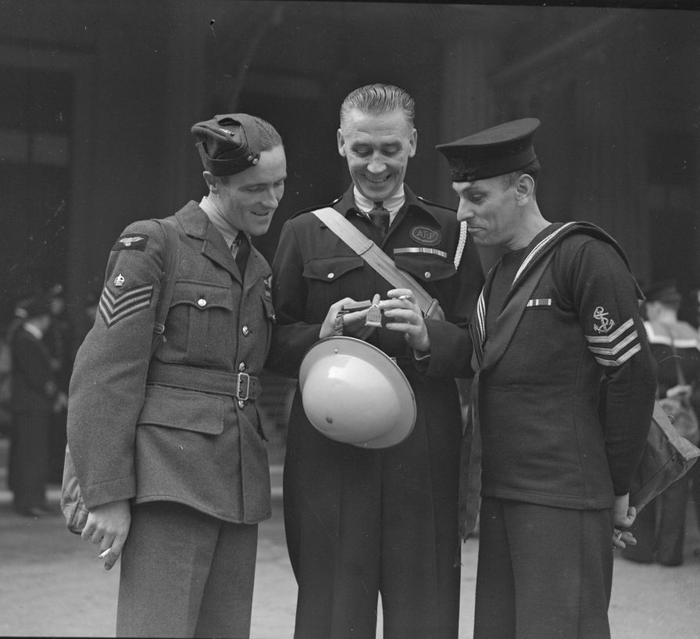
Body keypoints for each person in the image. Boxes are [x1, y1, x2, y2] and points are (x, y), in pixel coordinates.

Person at [267, 84, 484, 638]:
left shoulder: (451, 232)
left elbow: (479, 345)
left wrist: (427, 337)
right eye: (363, 149)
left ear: (413, 143)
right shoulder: (304, 233)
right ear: (341, 144)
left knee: (424, 606)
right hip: (331, 445)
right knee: (332, 608)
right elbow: (269, 343)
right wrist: (321, 332)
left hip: (424, 442)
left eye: (390, 148)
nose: (377, 164)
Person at [436, 118, 658, 638]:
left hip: (563, 496)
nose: (464, 215)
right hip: (503, 491)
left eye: (476, 196)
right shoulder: (500, 273)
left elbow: (633, 376)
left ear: (523, 188)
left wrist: (618, 488)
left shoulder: (583, 256)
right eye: (460, 199)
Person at [67, 113, 286, 638]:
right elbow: (104, 374)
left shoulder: (256, 265)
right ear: (213, 183)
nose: (271, 201)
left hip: (236, 480)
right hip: (168, 479)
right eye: (255, 188)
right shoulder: (155, 244)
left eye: (279, 185)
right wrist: (108, 494)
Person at [622, 280, 700, 566]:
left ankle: (640, 551)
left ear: (654, 307)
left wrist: (666, 393)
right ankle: (670, 554)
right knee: (677, 480)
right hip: (687, 415)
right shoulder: (692, 335)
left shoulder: (645, 332)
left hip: (652, 413)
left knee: (644, 476)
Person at [8, 293, 65, 516]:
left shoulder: (24, 338)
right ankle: (29, 501)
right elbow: (38, 376)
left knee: (32, 453)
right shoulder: (27, 340)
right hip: (31, 406)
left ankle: (34, 499)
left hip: (30, 405)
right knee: (32, 455)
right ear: (42, 319)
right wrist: (55, 395)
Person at [44, 283, 74, 484]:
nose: (57, 304)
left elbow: (67, 360)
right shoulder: (46, 326)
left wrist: (63, 390)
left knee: (59, 433)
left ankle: (56, 473)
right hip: (47, 385)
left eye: (59, 301)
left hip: (61, 384)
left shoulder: (66, 326)